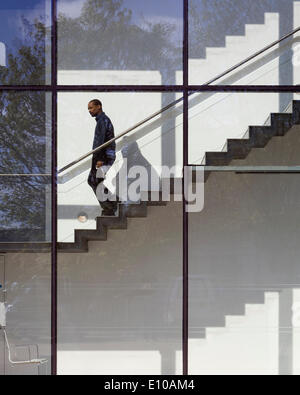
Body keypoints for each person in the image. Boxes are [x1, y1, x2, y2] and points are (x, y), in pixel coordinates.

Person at [87, 99, 118, 216]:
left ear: (99, 106)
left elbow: (102, 141)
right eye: (88, 109)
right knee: (96, 181)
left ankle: (110, 207)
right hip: (101, 155)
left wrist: (100, 159)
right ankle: (112, 202)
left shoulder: (103, 120)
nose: (89, 111)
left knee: (93, 180)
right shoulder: (101, 120)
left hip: (103, 156)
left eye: (91, 108)